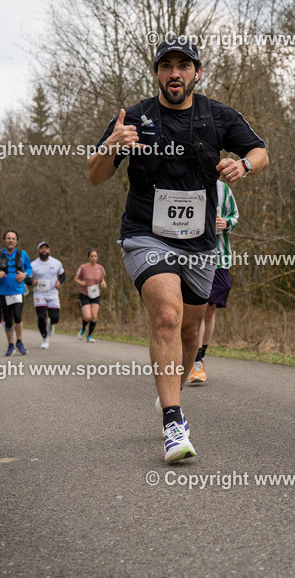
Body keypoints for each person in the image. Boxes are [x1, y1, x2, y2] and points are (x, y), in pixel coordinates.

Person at [87, 36, 268, 462]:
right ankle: (173, 422)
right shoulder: (132, 118)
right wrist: (111, 147)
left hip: (201, 243)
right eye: (166, 66)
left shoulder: (217, 116)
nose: (174, 74)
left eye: (183, 66)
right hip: (145, 235)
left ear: (196, 72)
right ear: (156, 73)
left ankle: (173, 394)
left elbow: (260, 152)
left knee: (189, 332)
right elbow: (94, 175)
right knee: (167, 319)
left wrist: (242, 164)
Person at [191, 180, 239, 384]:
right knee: (197, 311)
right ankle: (196, 362)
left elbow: (234, 216)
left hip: (219, 258)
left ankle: (199, 356)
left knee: (210, 309)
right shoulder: (187, 183)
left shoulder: (223, 188)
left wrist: (226, 223)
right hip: (192, 256)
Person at [0, 230, 32, 356]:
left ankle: (19, 342)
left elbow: (30, 268)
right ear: (4, 240)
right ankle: (10, 345)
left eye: (13, 238)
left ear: (16, 241)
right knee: (8, 320)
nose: (10, 240)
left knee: (17, 315)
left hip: (18, 291)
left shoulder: (22, 254)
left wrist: (25, 274)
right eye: (8, 238)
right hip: (4, 293)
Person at [30, 241, 66, 349]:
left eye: (46, 248)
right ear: (38, 251)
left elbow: (62, 275)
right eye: (41, 248)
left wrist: (60, 282)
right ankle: (45, 339)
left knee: (55, 318)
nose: (44, 250)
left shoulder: (56, 263)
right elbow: (26, 278)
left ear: (49, 250)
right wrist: (32, 282)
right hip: (39, 294)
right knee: (41, 317)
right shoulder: (33, 265)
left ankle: (51, 323)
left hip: (52, 293)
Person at [75, 249, 106, 343]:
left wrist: (103, 283)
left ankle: (89, 335)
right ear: (88, 257)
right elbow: (76, 278)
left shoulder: (100, 268)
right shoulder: (83, 267)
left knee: (94, 316)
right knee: (87, 316)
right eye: (92, 256)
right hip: (85, 294)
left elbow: (102, 279)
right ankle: (83, 328)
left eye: (95, 256)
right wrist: (81, 282)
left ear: (97, 257)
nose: (94, 258)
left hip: (96, 294)